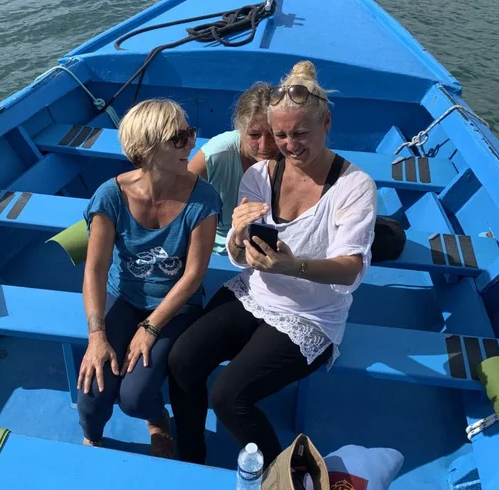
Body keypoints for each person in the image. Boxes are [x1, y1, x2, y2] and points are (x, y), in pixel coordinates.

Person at [167, 61, 378, 467]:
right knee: (181, 360)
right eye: (281, 135)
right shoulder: (261, 174)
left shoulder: (355, 186)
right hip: (256, 294)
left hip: (311, 314)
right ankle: (190, 456)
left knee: (229, 396)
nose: (289, 145)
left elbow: (351, 267)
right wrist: (238, 237)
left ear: (326, 123)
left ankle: (283, 475)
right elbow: (241, 254)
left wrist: (293, 267)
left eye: (300, 133)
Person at [76, 99, 222, 459]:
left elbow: (193, 276)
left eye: (190, 133)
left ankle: (158, 420)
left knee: (135, 397)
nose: (192, 143)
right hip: (123, 297)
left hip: (176, 305)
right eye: (179, 138)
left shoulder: (203, 199)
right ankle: (93, 438)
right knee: (92, 397)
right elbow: (95, 269)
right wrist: (97, 336)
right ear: (146, 148)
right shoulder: (111, 197)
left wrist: (151, 327)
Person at [188, 82, 278, 254]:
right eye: (254, 135)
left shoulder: (291, 155)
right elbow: (177, 195)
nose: (264, 145)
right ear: (240, 129)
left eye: (273, 134)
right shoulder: (217, 153)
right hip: (216, 249)